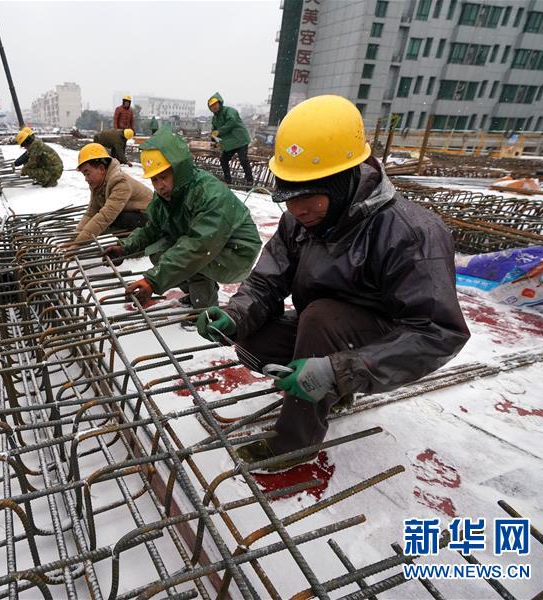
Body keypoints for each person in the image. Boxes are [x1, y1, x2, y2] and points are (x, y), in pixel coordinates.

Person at [196, 95, 470, 469]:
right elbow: (267, 281)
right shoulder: (298, 221)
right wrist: (235, 315)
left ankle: (293, 443)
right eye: (288, 197)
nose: (298, 209)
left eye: (310, 196)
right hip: (325, 332)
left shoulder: (410, 232)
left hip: (382, 339)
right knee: (252, 338)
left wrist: (339, 369)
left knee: (321, 317)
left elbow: (438, 332)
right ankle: (331, 386)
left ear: (343, 182)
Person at [103, 126, 262, 309]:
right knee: (158, 251)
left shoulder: (209, 194)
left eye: (164, 176)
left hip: (237, 251)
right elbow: (153, 229)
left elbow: (198, 246)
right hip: (212, 245)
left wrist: (152, 281)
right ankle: (198, 292)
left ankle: (205, 309)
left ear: (178, 170)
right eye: (154, 179)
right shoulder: (167, 195)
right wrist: (125, 247)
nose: (160, 186)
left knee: (188, 256)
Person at [65, 143, 152, 246]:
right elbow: (91, 213)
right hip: (132, 215)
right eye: (84, 175)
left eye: (87, 174)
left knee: (117, 219)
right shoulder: (99, 184)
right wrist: (73, 239)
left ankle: (137, 244)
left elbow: (105, 217)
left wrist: (77, 245)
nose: (86, 179)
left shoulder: (120, 183)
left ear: (102, 169)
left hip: (150, 219)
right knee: (115, 219)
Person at [207, 92, 253, 187]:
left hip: (240, 140)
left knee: (243, 160)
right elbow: (214, 132)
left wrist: (219, 131)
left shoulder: (229, 111)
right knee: (223, 160)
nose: (214, 107)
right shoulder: (214, 119)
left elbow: (231, 122)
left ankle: (249, 181)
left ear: (220, 103)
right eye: (211, 106)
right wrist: (215, 140)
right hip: (229, 144)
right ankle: (228, 182)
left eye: (215, 104)